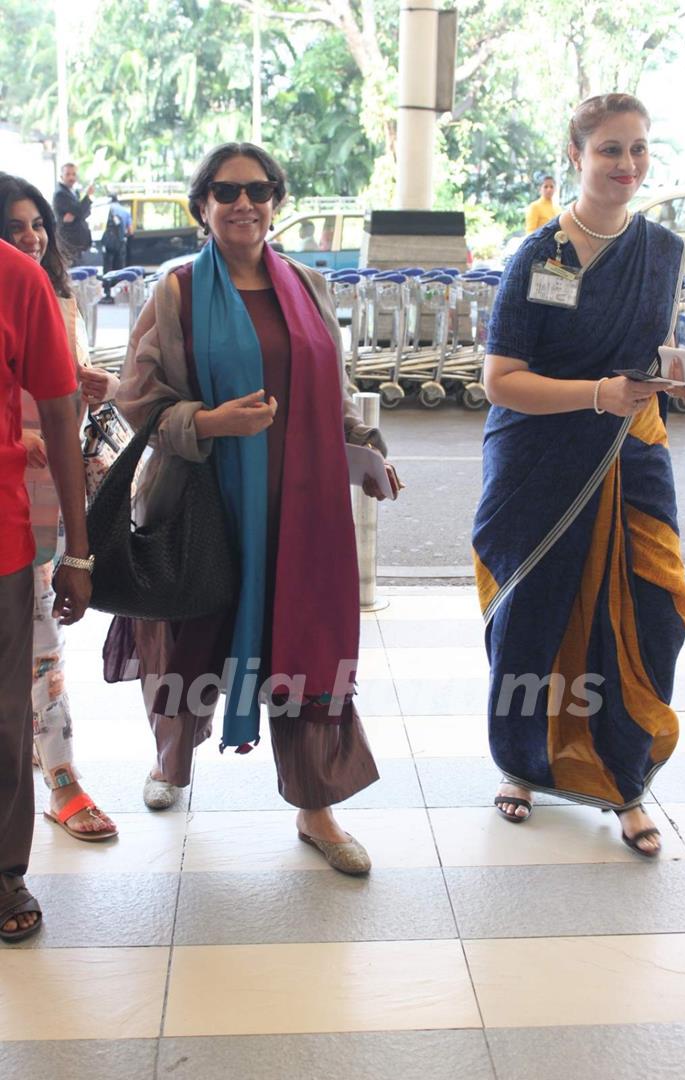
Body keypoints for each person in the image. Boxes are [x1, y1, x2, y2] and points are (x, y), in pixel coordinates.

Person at [106, 141, 399, 874]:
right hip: (205, 507)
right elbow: (135, 401)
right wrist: (208, 424)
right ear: (201, 204)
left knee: (305, 649)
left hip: (304, 513)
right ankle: (173, 762)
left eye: (260, 190)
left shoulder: (306, 284)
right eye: (228, 191)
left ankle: (317, 807)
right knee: (191, 643)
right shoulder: (174, 293)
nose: (245, 204)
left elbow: (328, 388)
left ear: (276, 202)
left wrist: (362, 446)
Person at [472, 94, 685, 857]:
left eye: (639, 149)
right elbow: (500, 379)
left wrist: (680, 378)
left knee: (648, 611)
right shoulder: (541, 257)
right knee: (533, 614)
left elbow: (654, 348)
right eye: (610, 149)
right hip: (538, 460)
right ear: (575, 156)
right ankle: (521, 764)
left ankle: (625, 780)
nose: (628, 165)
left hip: (631, 455)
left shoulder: (663, 251)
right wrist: (596, 395)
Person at [0, 174, 118, 843]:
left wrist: (78, 547)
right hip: (26, 476)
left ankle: (61, 779)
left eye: (37, 223)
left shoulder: (48, 294)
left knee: (40, 650)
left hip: (32, 506)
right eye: (15, 226)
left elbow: (60, 395)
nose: (32, 236)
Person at [0, 236, 93, 942]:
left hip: (1, 539)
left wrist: (79, 553)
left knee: (4, 718)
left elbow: (62, 412)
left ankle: (4, 871)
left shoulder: (16, 276)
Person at [52, 162, 94, 266]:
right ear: (62, 176)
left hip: (79, 244)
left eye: (74, 174)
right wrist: (87, 197)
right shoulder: (60, 194)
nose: (71, 177)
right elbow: (79, 211)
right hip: (70, 244)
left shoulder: (74, 193)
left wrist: (77, 214)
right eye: (68, 174)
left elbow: (84, 213)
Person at [101, 192, 132, 275]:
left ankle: (108, 285)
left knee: (108, 267)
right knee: (120, 268)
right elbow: (130, 231)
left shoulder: (106, 210)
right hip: (120, 243)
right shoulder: (125, 211)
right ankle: (118, 284)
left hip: (108, 244)